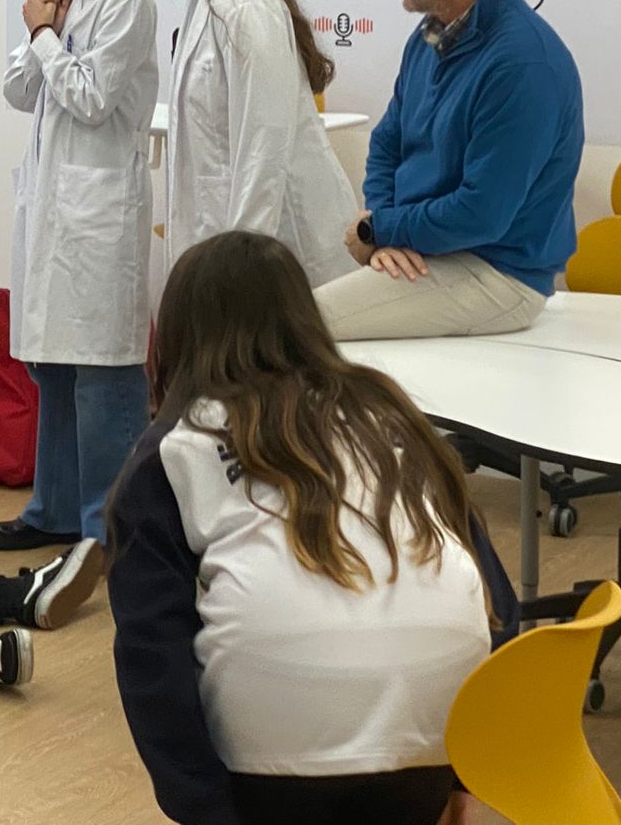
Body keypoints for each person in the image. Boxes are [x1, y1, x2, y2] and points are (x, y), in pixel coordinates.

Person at [108, 231, 518, 825]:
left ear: (179, 336)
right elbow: (493, 596)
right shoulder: (392, 413)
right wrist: (469, 776)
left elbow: (151, 651)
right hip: (434, 749)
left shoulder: (176, 445)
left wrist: (202, 809)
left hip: (271, 778)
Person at [319, 0, 584, 341]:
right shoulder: (429, 36)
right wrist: (383, 232)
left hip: (499, 275)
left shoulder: (522, 63)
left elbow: (482, 213)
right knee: (287, 315)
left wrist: (380, 228)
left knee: (294, 327)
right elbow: (387, 144)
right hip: (430, 251)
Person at [0, 0, 159, 552]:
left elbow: (91, 99)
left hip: (99, 211)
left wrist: (42, 35)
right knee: (51, 365)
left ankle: (107, 528)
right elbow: (18, 90)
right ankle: (53, 508)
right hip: (52, 207)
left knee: (102, 372)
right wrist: (42, 29)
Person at [134, 0, 356, 288]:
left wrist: (241, 266)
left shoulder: (244, 4)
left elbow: (264, 148)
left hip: (272, 256)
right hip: (226, 244)